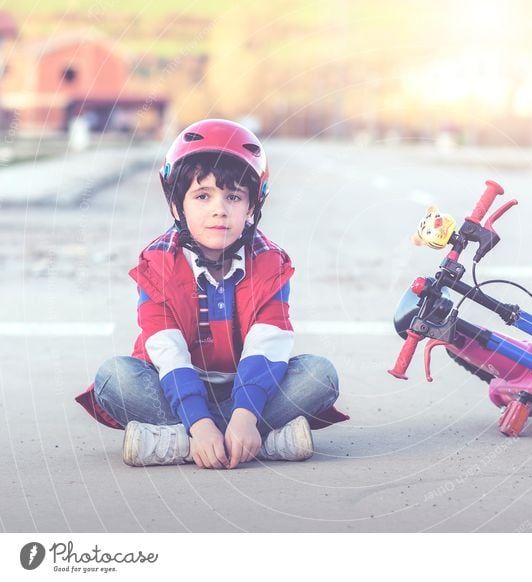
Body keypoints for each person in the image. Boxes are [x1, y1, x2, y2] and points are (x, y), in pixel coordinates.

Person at [75, 119, 348, 469]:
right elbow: (166, 350)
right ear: (177, 206)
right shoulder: (157, 261)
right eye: (202, 196)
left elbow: (269, 344)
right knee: (113, 377)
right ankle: (250, 442)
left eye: (233, 197)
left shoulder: (270, 262)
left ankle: (182, 442)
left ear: (252, 207)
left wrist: (246, 415)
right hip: (173, 390)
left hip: (252, 390)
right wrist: (199, 422)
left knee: (319, 375)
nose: (219, 209)